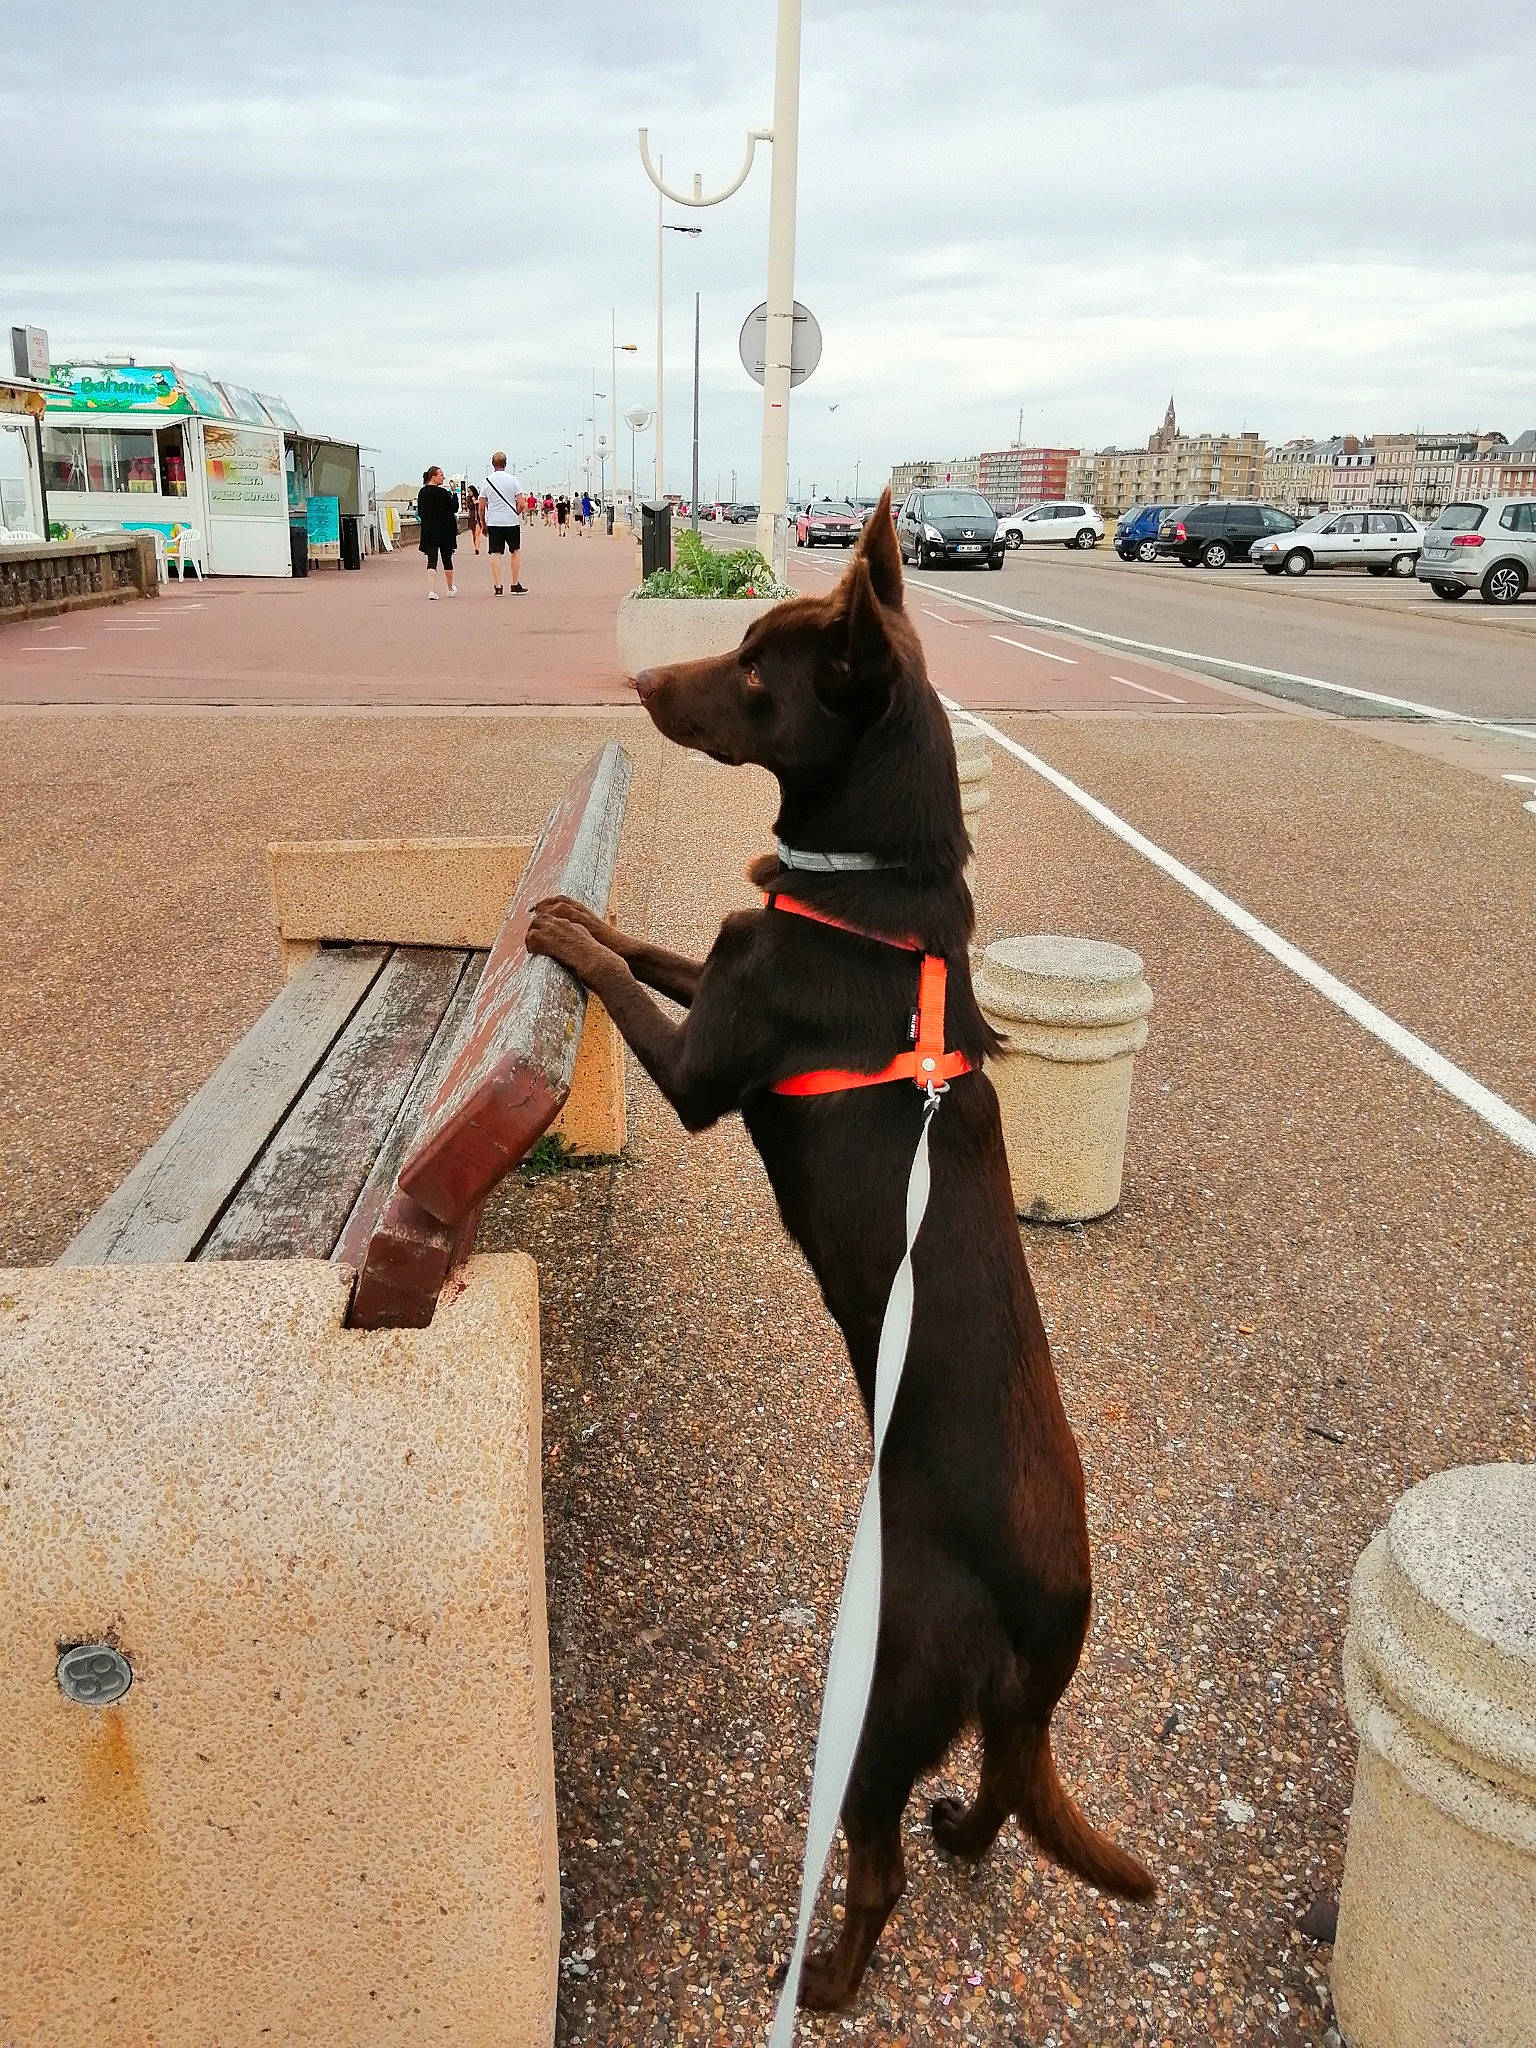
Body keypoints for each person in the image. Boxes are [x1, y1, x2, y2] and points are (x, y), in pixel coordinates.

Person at [481, 450, 526, 595]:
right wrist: (516, 513)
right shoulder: (513, 480)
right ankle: (514, 583)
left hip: (494, 522)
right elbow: (522, 503)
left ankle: (498, 585)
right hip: (511, 522)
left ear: (493, 464)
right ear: (505, 464)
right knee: (515, 551)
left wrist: (483, 523)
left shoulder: (487, 481)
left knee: (495, 553)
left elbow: (481, 506)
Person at [416, 465, 459, 599]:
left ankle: (432, 590)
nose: (443, 477)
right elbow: (454, 508)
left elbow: (421, 512)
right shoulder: (443, 493)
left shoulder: (422, 493)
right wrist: (454, 493)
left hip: (429, 531)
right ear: (433, 476)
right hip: (445, 531)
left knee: (431, 560)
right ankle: (450, 589)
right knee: (447, 560)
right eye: (441, 474)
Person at [463, 482, 482, 554]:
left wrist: (477, 502)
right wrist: (473, 502)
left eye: (469, 491)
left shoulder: (478, 497)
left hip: (478, 518)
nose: (469, 493)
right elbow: (469, 506)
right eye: (468, 491)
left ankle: (477, 548)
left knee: (477, 534)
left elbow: (482, 506)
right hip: (472, 517)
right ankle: (475, 546)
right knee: (474, 534)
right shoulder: (468, 498)